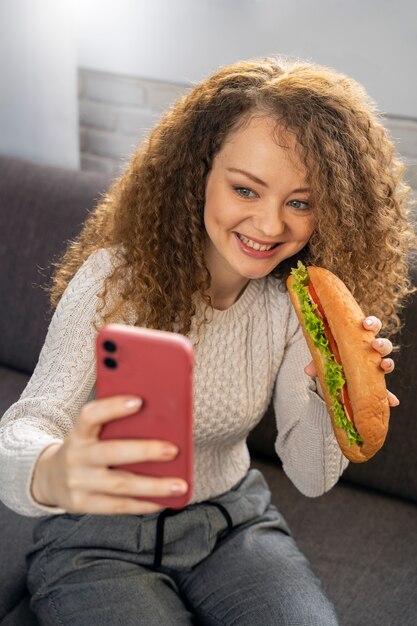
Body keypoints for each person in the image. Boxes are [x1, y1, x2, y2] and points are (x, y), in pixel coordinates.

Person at [0, 57, 415, 626]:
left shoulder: (294, 305)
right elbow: (27, 423)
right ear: (198, 172)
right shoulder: (114, 281)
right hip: (97, 534)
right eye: (246, 189)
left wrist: (332, 390)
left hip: (232, 525)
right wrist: (52, 468)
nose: (270, 226)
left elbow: (311, 478)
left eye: (300, 202)